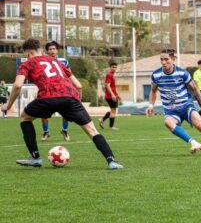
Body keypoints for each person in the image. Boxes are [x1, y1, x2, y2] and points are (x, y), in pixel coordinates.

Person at [0, 39, 123, 169]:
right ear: (41, 50)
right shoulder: (56, 61)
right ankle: (111, 161)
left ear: (28, 53)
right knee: (91, 130)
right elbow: (78, 85)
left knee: (25, 117)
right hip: (70, 97)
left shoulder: (28, 63)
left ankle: (35, 158)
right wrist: (77, 104)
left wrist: (7, 106)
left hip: (48, 97)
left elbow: (18, 85)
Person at [146, 49, 201, 156]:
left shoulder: (182, 73)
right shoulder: (156, 75)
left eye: (166, 59)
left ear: (173, 59)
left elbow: (196, 89)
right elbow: (153, 90)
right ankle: (193, 142)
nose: (163, 62)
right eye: (161, 60)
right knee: (168, 122)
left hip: (186, 107)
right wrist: (150, 105)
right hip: (171, 111)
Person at [41, 41, 71, 141]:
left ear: (57, 50)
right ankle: (46, 132)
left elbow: (69, 75)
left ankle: (65, 130)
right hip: (48, 91)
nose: (52, 51)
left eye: (54, 49)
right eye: (50, 49)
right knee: (44, 113)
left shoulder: (64, 61)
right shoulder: (43, 61)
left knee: (66, 113)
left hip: (62, 91)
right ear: (47, 51)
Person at [99, 62, 120, 130]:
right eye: (113, 67)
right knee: (113, 111)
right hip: (110, 96)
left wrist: (117, 94)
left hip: (112, 95)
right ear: (110, 68)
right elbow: (108, 86)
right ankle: (111, 127)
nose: (114, 68)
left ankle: (102, 119)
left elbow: (110, 86)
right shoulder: (109, 75)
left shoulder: (112, 75)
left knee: (112, 110)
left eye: (115, 67)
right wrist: (113, 95)